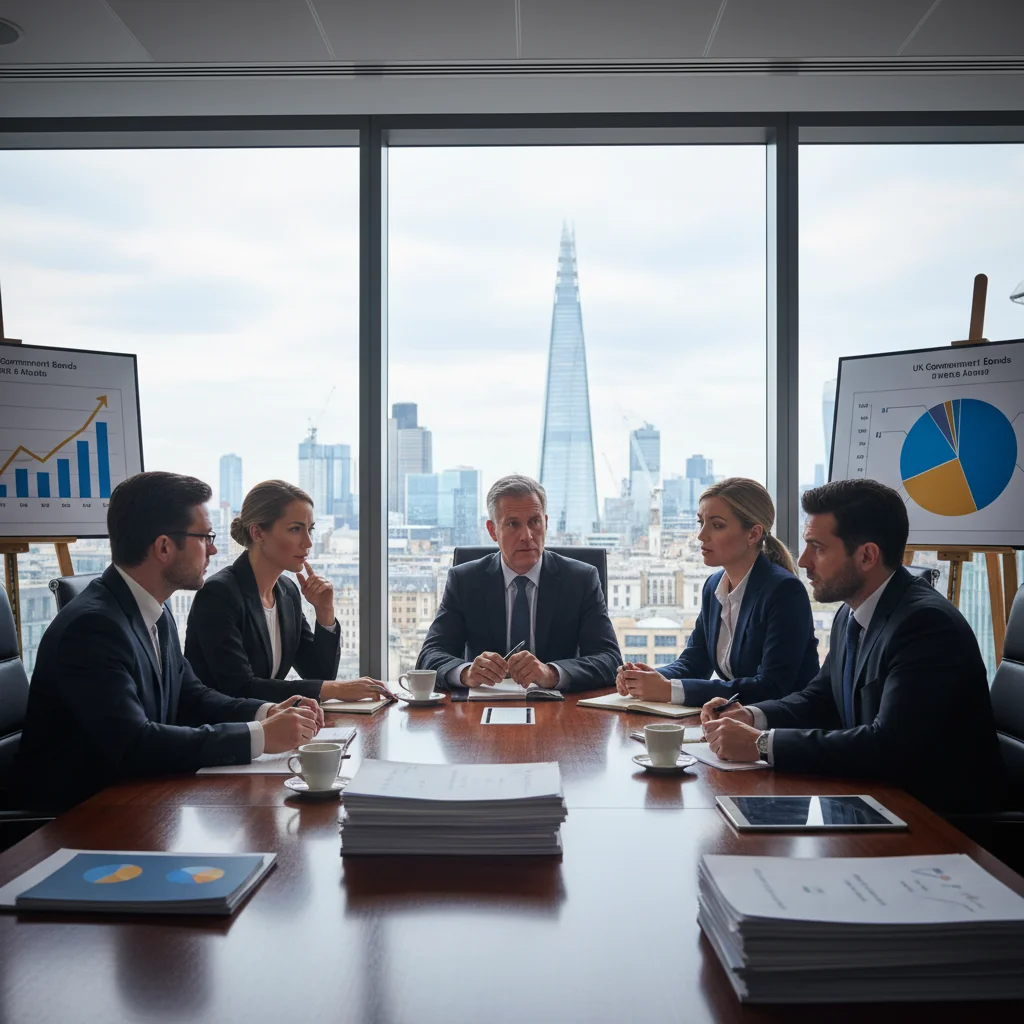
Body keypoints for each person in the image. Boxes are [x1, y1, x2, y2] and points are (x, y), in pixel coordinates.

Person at [15, 472, 325, 810]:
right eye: (204, 537)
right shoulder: (92, 628)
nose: (213, 549)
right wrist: (260, 736)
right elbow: (134, 744)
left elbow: (191, 697)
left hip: (138, 800)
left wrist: (267, 712)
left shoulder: (154, 611)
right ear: (164, 547)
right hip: (79, 818)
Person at [701, 478, 1006, 815]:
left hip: (937, 820)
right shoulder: (851, 612)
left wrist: (761, 744)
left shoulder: (925, 625)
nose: (803, 561)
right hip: (875, 801)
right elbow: (821, 699)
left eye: (817, 548)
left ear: (867, 556)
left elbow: (888, 746)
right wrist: (751, 715)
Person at [616, 478, 818, 707]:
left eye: (717, 525)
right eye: (701, 522)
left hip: (785, 723)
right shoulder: (713, 586)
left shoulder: (784, 591)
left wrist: (668, 690)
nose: (701, 535)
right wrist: (643, 678)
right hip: (735, 720)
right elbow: (694, 664)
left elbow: (770, 687)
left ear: (753, 534)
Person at [185, 480, 390, 704]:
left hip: (269, 720)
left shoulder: (287, 592)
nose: (308, 542)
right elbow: (240, 687)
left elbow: (319, 674)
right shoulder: (219, 594)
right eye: (295, 529)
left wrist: (325, 612)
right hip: (222, 724)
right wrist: (337, 688)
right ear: (258, 533)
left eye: (310, 530)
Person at [416, 474, 620, 691]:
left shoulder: (580, 580)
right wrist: (466, 673)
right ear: (493, 530)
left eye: (534, 522)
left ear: (546, 523)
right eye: (513, 524)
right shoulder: (465, 581)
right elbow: (429, 657)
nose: (527, 536)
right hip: (481, 706)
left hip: (559, 706)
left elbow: (610, 660)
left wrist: (551, 673)